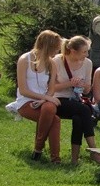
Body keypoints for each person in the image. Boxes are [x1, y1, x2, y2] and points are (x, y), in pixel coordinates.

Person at [8, 30, 62, 162]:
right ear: (47, 46)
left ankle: (40, 151)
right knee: (54, 120)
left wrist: (44, 99)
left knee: (49, 108)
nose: (57, 51)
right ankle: (50, 155)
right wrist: (47, 98)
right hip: (25, 101)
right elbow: (23, 89)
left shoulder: (52, 63)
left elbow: (51, 89)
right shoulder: (24, 60)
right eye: (56, 48)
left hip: (43, 102)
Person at [51, 35, 100, 165]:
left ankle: (74, 159)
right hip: (58, 99)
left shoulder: (87, 63)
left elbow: (87, 90)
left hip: (76, 100)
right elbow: (51, 88)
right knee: (84, 110)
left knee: (79, 117)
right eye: (84, 52)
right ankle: (94, 150)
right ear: (73, 51)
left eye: (87, 51)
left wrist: (83, 86)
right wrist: (69, 84)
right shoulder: (57, 61)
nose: (86, 55)